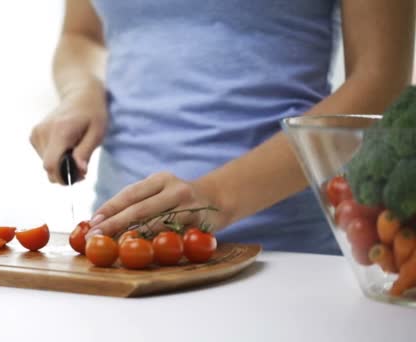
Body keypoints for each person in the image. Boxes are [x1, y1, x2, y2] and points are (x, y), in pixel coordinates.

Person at [30, 0, 415, 254]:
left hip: (284, 253)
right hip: (121, 249)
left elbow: (380, 83)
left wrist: (213, 196)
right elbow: (80, 36)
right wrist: (82, 91)